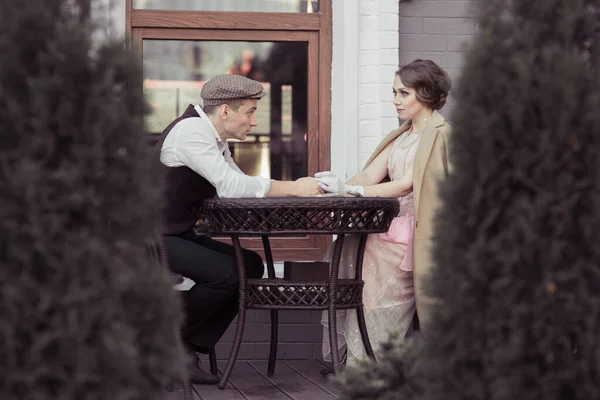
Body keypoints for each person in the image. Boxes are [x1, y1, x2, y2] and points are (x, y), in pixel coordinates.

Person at [157, 74, 322, 384]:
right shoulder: (191, 132)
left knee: (250, 265)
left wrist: (292, 191)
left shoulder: (213, 139)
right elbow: (232, 186)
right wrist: (292, 188)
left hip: (175, 232)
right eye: (250, 111)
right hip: (147, 236)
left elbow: (234, 184)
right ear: (225, 111)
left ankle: (184, 346)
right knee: (226, 274)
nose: (254, 121)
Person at [316, 59, 452, 364]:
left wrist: (359, 192)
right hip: (391, 229)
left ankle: (371, 360)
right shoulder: (401, 136)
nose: (396, 101)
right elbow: (369, 176)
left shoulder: (441, 134)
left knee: (374, 272)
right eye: (394, 92)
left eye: (404, 93)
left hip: (418, 233)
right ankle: (360, 355)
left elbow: (406, 185)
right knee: (350, 245)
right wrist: (342, 186)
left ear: (427, 93)